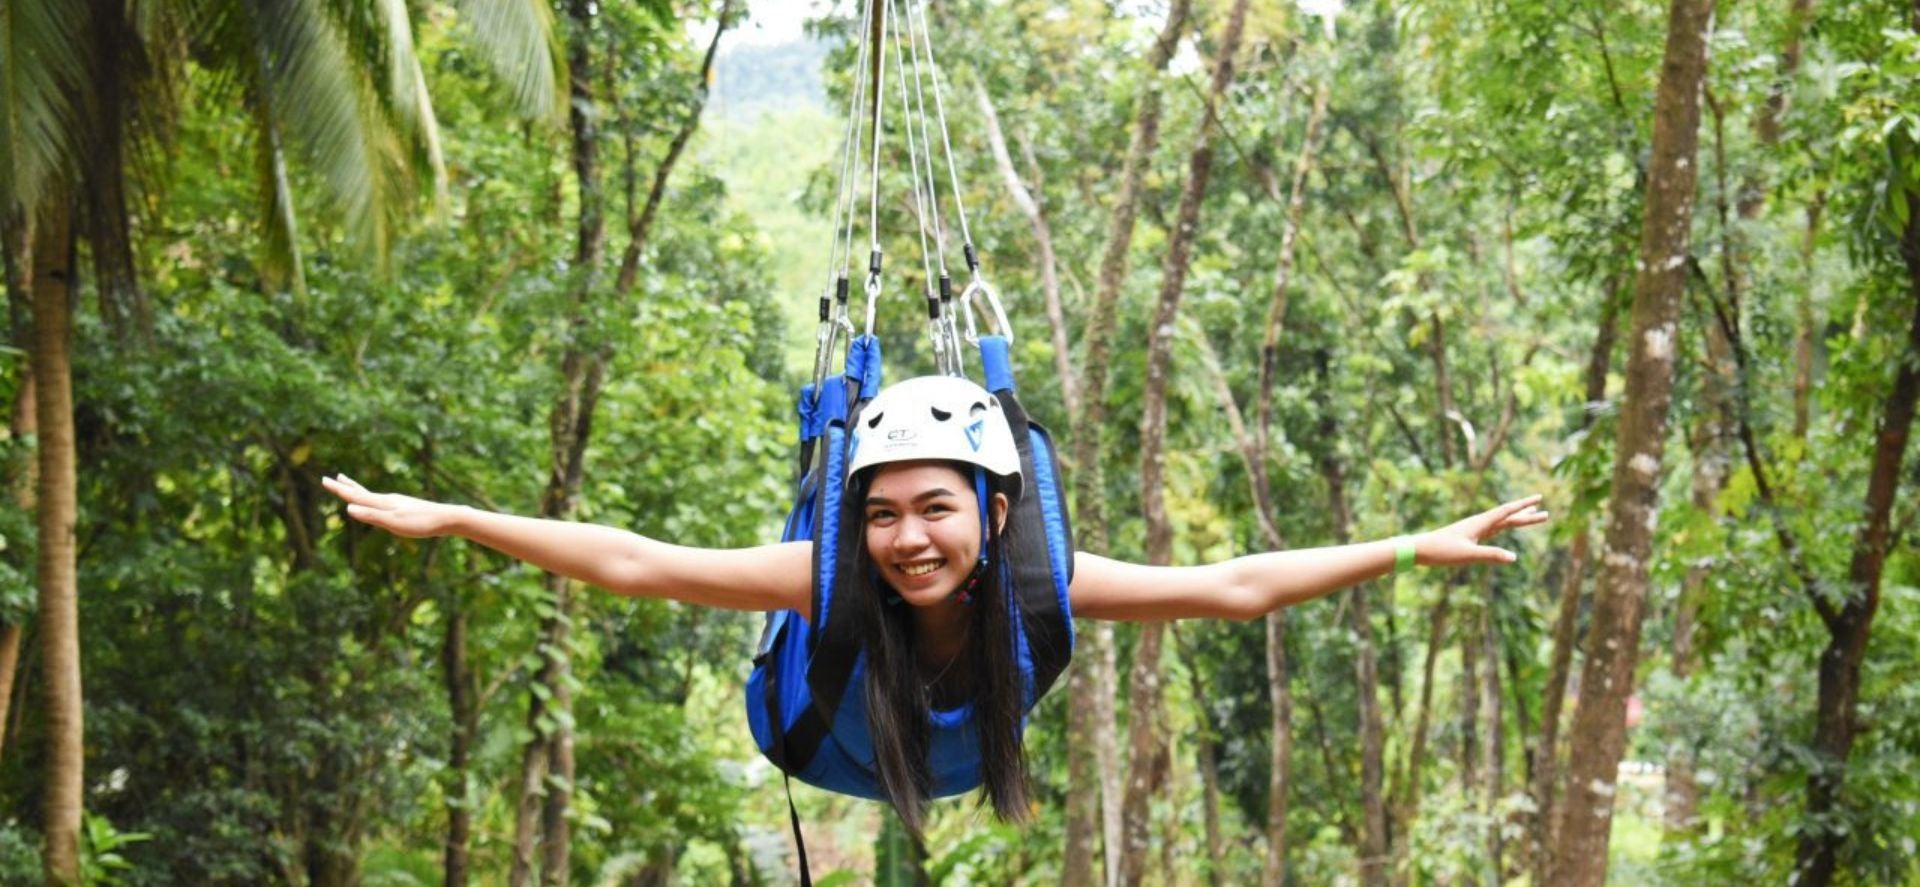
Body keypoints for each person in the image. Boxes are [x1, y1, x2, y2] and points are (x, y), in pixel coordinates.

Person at [320, 375, 1548, 832]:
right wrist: (458, 517)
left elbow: (1232, 588)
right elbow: (638, 557)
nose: (906, 537)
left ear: (996, 511)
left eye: (936, 508)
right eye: (882, 511)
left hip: (954, 755)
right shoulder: (829, 582)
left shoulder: (1042, 588)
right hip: (827, 740)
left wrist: (1411, 546)